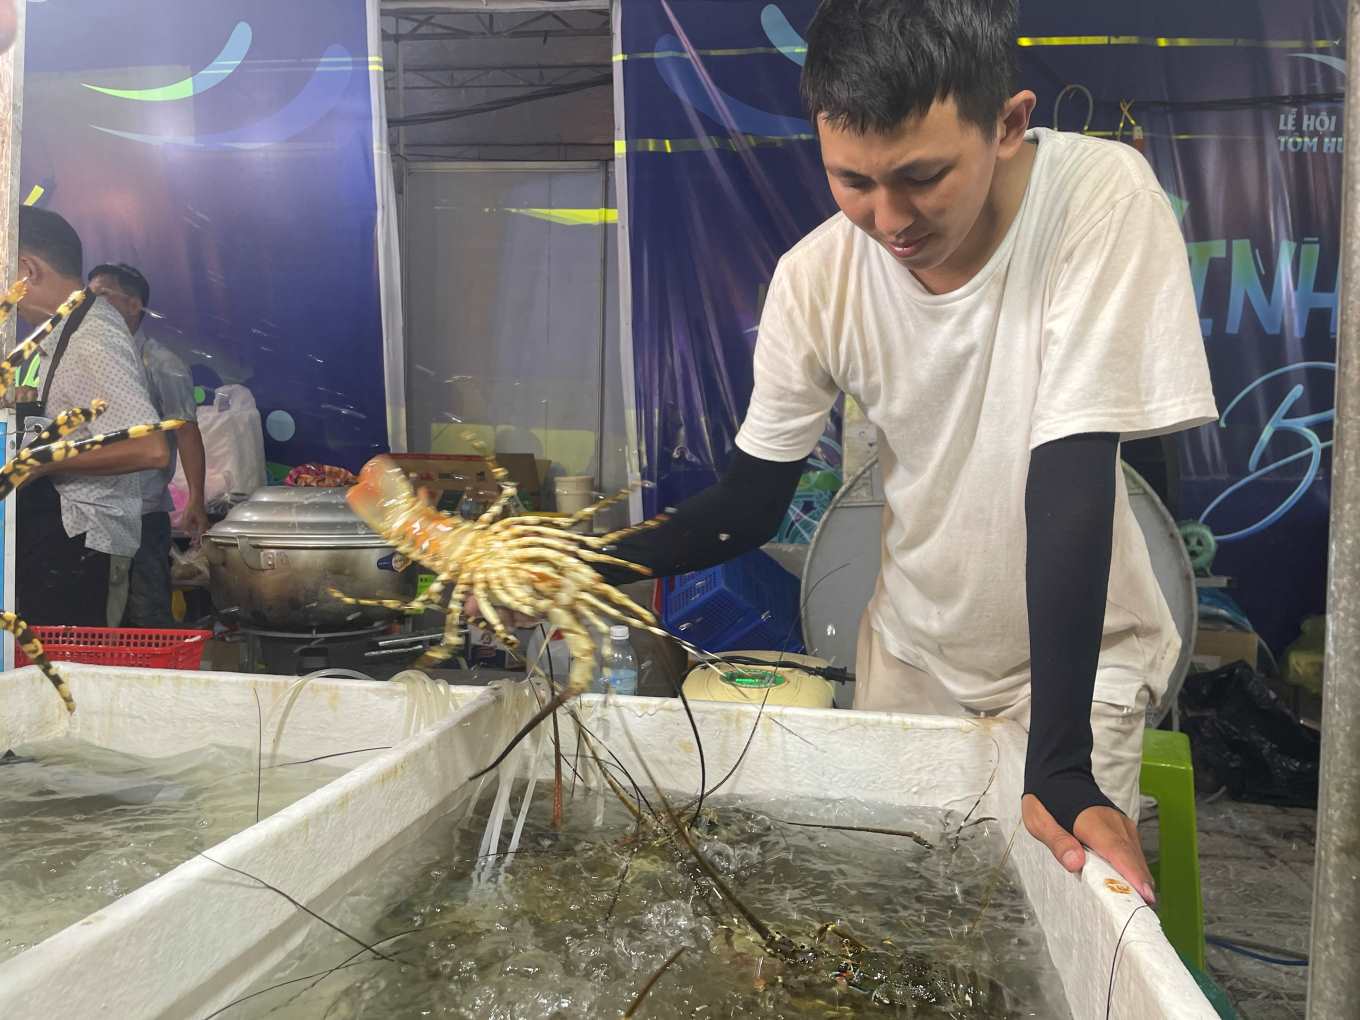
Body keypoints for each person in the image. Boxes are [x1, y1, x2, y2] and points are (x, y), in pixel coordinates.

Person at [486, 0, 1220, 901]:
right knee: (899, 908)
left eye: (922, 176)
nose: (889, 218)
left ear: (1010, 123)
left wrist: (1060, 762)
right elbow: (749, 506)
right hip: (911, 651)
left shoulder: (1099, 199)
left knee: (1048, 921)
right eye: (853, 180)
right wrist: (573, 562)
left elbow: (1067, 470)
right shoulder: (816, 278)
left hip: (1078, 667)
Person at [13, 207, 169, 626]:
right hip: (59, 542)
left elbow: (150, 447)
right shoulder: (62, 329)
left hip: (83, 546)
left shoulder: (93, 333)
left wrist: (43, 462)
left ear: (27, 269)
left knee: (72, 681)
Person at [89, 264, 208, 627]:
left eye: (100, 296)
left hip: (141, 513)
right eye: (86, 296)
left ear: (133, 304)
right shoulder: (89, 359)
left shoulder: (161, 364)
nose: (88, 306)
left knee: (145, 613)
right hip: (91, 512)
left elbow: (186, 432)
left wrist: (197, 502)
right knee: (97, 613)